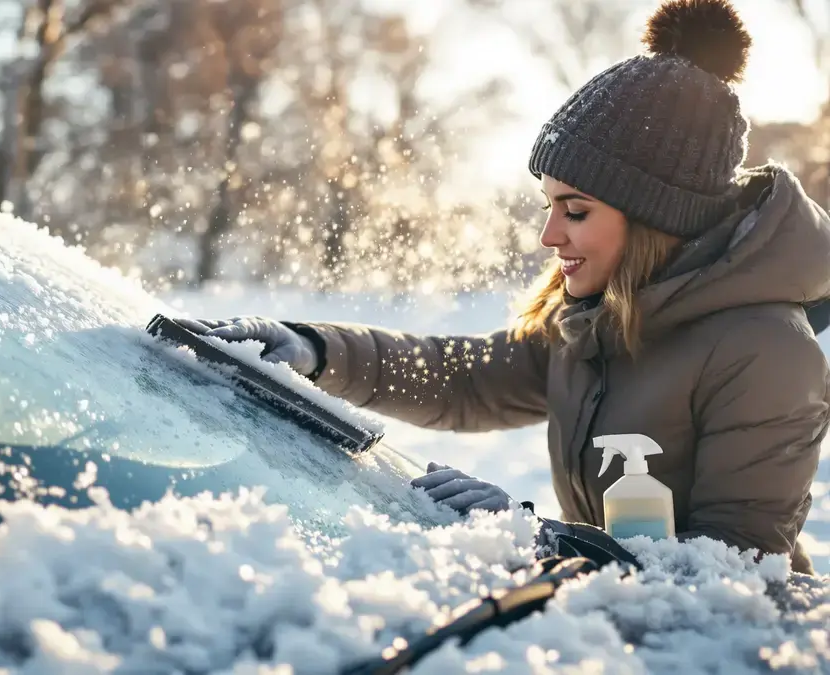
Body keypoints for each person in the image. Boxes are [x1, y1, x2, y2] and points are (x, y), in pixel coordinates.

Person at [179, 0, 830, 576]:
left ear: (657, 218)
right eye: (548, 206)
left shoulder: (766, 352)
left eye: (575, 211)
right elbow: (466, 378)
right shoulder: (597, 319)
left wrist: (538, 539)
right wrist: (316, 350)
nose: (550, 234)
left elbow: (735, 574)